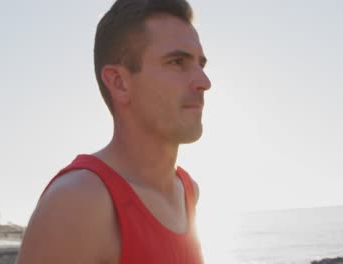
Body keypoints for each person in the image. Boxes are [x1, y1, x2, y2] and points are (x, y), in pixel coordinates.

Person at [16, 0, 211, 263]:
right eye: (177, 62)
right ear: (119, 83)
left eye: (201, 64)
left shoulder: (187, 191)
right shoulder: (79, 202)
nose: (204, 82)